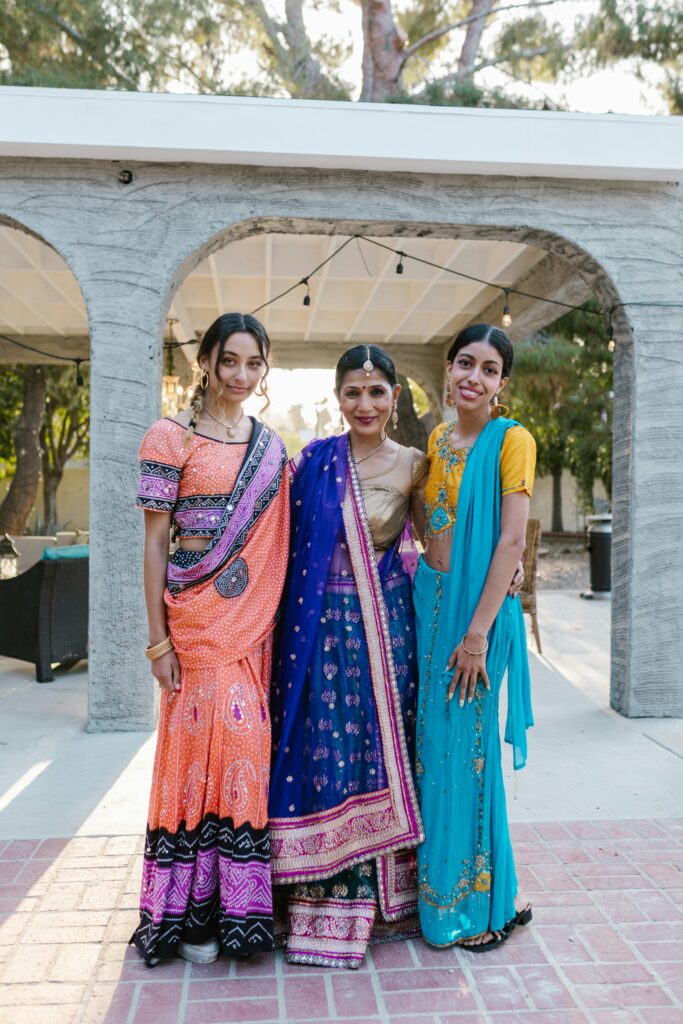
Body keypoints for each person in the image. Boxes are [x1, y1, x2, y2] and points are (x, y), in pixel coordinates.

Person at [130, 313, 289, 966]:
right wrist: (157, 641)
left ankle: (239, 915)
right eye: (229, 361)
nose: (241, 376)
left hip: (250, 630)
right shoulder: (170, 438)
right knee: (194, 766)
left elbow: (286, 532)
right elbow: (155, 542)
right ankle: (187, 917)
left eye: (253, 364)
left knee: (244, 753)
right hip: (191, 630)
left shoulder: (271, 449)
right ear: (205, 362)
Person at [269, 344, 426, 969]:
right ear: (339, 398)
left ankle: (392, 900)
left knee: (379, 753)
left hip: (385, 631)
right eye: (354, 393)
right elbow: (278, 546)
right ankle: (322, 903)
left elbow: (438, 549)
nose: (366, 404)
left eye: (377, 392)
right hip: (315, 629)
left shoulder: (415, 464)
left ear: (393, 397)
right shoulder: (312, 463)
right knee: (325, 751)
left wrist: (504, 570)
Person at [413, 322, 536, 952]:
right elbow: (429, 519)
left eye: (489, 369)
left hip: (477, 620)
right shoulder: (437, 437)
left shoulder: (511, 440)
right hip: (432, 604)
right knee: (436, 753)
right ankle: (446, 891)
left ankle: (480, 908)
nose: (474, 377)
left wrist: (479, 635)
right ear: (449, 366)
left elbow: (510, 540)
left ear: (501, 384)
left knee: (471, 754)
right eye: (466, 362)